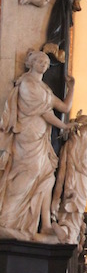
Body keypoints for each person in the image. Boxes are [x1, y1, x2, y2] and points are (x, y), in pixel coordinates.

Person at [0, 51, 74, 239]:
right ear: (30, 64)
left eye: (46, 62)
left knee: (46, 176)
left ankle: (44, 224)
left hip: (41, 138)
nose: (43, 64)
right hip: (27, 136)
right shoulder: (26, 84)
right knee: (28, 173)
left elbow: (64, 108)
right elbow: (46, 114)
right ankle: (6, 219)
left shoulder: (45, 89)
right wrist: (64, 125)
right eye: (39, 61)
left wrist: (72, 87)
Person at [51, 112, 87, 245]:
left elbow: (61, 175)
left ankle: (64, 229)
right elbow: (63, 173)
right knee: (76, 212)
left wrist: (56, 198)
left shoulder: (71, 144)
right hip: (81, 181)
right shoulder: (86, 146)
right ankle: (66, 232)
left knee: (73, 211)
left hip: (76, 181)